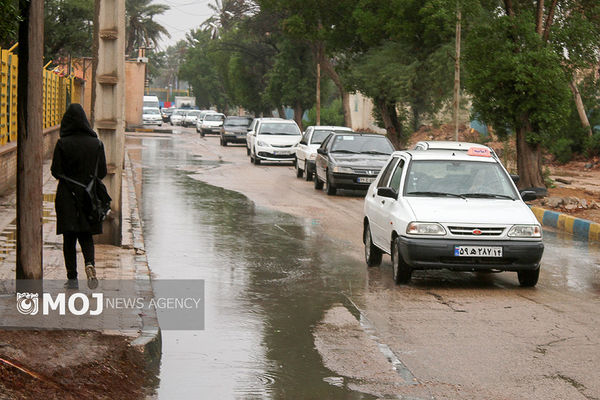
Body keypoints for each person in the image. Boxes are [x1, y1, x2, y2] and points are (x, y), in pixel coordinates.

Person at [51, 104, 107, 289]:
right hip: (88, 197)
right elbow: (102, 172)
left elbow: (55, 171)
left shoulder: (62, 143)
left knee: (69, 237)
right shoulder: (96, 144)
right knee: (86, 235)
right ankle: (89, 264)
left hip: (67, 196)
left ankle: (72, 279)